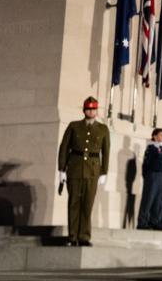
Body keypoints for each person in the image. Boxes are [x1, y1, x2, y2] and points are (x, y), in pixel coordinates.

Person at [57, 96, 110, 246]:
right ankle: (72, 236)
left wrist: (104, 172)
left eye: (93, 109)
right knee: (73, 203)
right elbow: (64, 147)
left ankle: (84, 237)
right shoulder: (74, 126)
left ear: (96, 111)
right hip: (74, 168)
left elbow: (106, 152)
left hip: (93, 171)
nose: (91, 112)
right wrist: (62, 169)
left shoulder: (103, 129)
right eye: (88, 109)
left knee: (87, 204)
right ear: (84, 110)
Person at [137, 128, 162, 230]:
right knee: (148, 198)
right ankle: (142, 222)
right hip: (152, 175)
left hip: (160, 176)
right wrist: (147, 177)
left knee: (157, 200)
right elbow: (146, 164)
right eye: (160, 135)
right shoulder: (151, 148)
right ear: (154, 136)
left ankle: (154, 222)